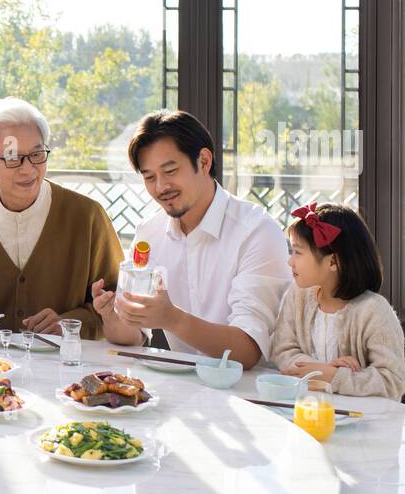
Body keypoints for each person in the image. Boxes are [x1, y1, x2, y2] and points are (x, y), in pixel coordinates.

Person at [97, 109, 291, 368]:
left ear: (204, 161)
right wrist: (112, 316)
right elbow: (132, 336)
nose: (161, 187)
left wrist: (172, 318)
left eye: (170, 171)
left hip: (256, 395)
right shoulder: (150, 233)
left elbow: (247, 351)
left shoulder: (257, 232)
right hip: (186, 392)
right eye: (150, 177)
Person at [0, 97, 125, 337]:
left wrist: (68, 324)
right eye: (12, 157)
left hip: (67, 367)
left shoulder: (87, 216)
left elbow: (118, 301)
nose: (28, 169)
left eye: (37, 154)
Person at [270, 202, 405, 398]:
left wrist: (335, 377)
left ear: (332, 262)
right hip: (307, 409)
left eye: (298, 252)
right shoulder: (298, 295)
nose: (290, 261)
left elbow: (392, 381)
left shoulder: (374, 311)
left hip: (362, 421)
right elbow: (282, 350)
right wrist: (322, 370)